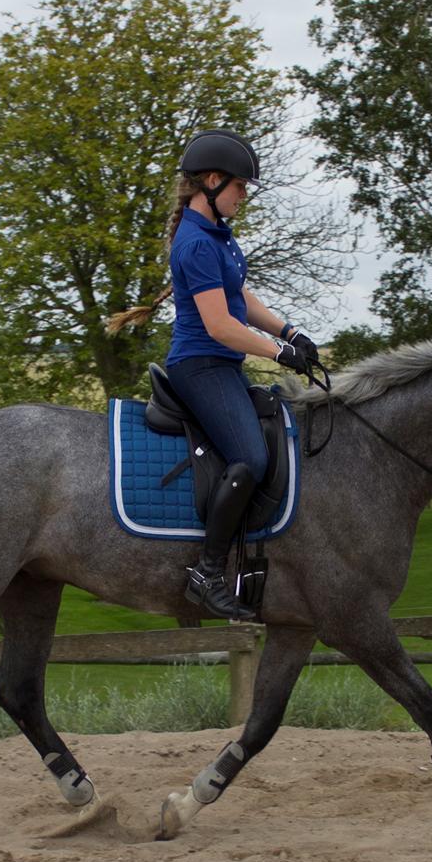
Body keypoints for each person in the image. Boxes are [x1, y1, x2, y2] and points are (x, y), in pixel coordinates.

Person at [107, 128, 319, 620]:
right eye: (240, 186)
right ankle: (206, 572)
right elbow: (221, 325)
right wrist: (280, 354)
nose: (244, 196)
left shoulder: (220, 236)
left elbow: (240, 298)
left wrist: (292, 332)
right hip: (200, 366)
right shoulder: (196, 244)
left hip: (221, 365)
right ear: (212, 181)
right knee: (248, 457)